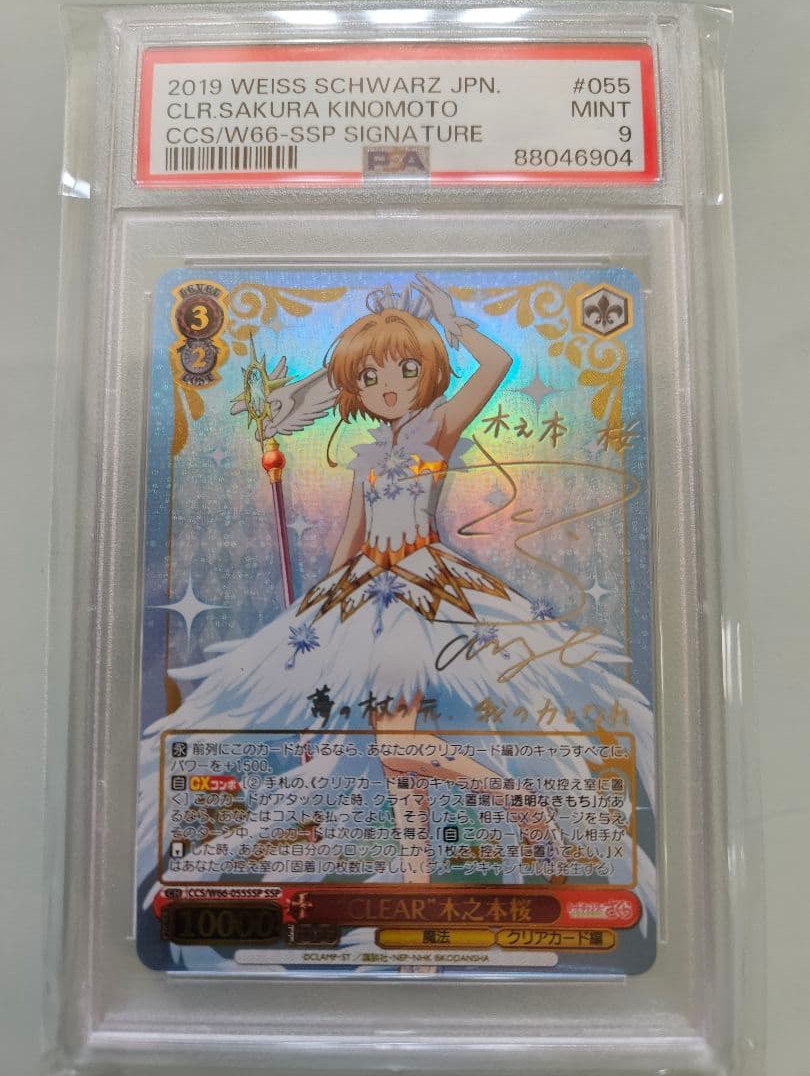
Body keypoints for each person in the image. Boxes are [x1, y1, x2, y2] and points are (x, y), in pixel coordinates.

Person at [140, 275, 653, 890]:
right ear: (354, 387)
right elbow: (348, 542)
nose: (389, 387)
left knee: (397, 747)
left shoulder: (437, 427)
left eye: (406, 370)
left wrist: (451, 321)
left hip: (421, 591)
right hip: (367, 595)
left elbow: (498, 366)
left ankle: (516, 800)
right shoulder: (368, 459)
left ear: (427, 373)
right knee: (397, 755)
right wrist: (314, 621)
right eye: (370, 376)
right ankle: (417, 878)